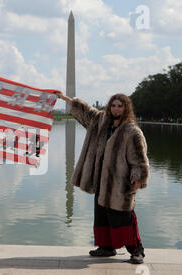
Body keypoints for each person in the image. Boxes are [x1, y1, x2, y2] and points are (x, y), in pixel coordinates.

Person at [55, 91, 149, 264]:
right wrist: (64, 98)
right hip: (101, 181)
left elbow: (139, 159)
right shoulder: (101, 122)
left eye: (120, 106)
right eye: (113, 105)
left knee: (123, 218)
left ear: (126, 108)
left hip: (120, 184)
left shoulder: (132, 131)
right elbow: (85, 111)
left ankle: (137, 250)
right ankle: (106, 247)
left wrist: (138, 177)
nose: (116, 109)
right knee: (102, 216)